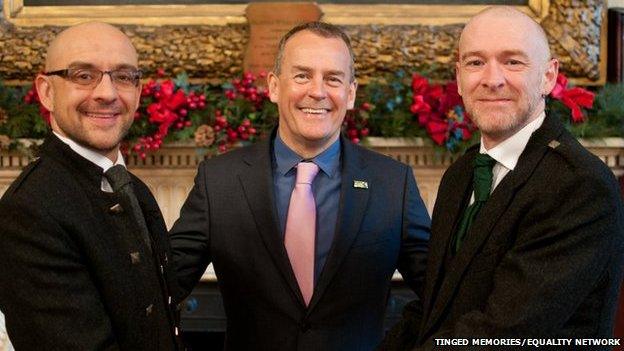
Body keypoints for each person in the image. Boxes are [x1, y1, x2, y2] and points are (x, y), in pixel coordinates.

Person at [169, 21, 431, 351]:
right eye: (302, 75)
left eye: (333, 79)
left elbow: (444, 294)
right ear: (274, 86)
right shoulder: (219, 181)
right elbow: (157, 292)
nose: (317, 91)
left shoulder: (393, 184)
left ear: (350, 94)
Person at [380, 6, 624, 350]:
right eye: (476, 62)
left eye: (513, 62)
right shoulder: (461, 174)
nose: (492, 79)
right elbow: (436, 307)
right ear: (460, 77)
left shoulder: (579, 185)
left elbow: (503, 333)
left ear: (548, 76)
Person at [0, 22, 181, 350]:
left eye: (124, 77)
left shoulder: (131, 187)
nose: (107, 93)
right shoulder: (28, 210)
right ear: (46, 91)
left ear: (138, 92)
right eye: (84, 76)